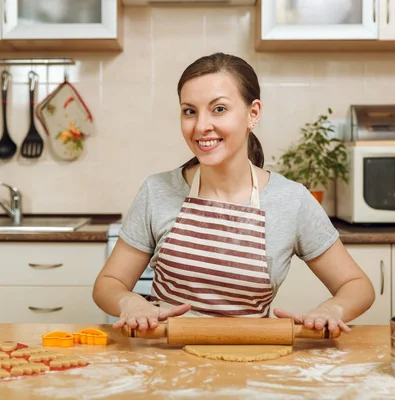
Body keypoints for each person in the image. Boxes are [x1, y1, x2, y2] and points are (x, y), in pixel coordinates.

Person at [92, 52, 375, 335]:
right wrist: (130, 302)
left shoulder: (292, 200)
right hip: (165, 357)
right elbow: (109, 283)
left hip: (250, 360)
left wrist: (332, 309)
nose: (201, 126)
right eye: (190, 111)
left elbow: (357, 286)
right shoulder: (157, 191)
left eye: (218, 109)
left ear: (253, 114)